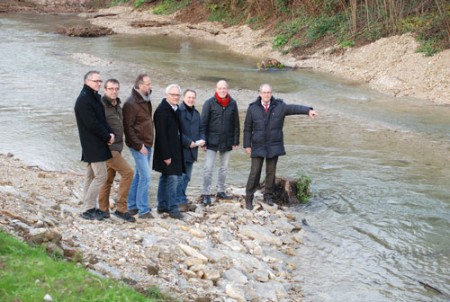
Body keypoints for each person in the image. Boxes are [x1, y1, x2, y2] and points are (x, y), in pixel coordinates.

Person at [243, 83, 317, 210]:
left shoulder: (279, 106)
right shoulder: (253, 108)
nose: (266, 95)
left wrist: (308, 110)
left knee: (271, 172)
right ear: (260, 93)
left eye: (269, 92)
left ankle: (268, 196)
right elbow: (247, 128)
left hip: (273, 145)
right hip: (258, 145)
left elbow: (293, 108)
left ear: (271, 93)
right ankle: (249, 197)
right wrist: (246, 145)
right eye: (264, 92)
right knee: (255, 172)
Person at [74, 70, 115, 220]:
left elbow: (101, 120)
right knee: (101, 176)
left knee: (90, 176)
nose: (99, 83)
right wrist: (106, 136)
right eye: (95, 81)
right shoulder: (84, 100)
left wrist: (110, 133)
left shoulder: (92, 97)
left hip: (96, 142)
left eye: (100, 81)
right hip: (92, 143)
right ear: (87, 81)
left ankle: (88, 206)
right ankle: (89, 208)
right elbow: (92, 124)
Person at [98, 79, 136, 223]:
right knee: (128, 173)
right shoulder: (101, 106)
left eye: (116, 89)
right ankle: (121, 209)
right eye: (111, 88)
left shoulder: (117, 106)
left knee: (107, 179)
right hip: (108, 149)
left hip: (118, 148)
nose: (114, 91)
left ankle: (103, 209)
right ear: (105, 89)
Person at [200, 80, 240, 205]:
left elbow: (236, 124)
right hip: (211, 141)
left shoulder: (233, 104)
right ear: (216, 89)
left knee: (224, 168)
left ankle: (221, 191)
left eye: (224, 88)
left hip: (227, 141)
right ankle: (206, 193)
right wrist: (203, 141)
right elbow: (203, 124)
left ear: (227, 89)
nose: (222, 90)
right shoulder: (209, 103)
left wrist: (236, 141)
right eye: (220, 88)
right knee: (208, 168)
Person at [122, 74, 154, 219]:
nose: (150, 86)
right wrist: (139, 145)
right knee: (146, 177)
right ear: (140, 85)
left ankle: (132, 205)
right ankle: (143, 210)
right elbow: (128, 129)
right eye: (148, 84)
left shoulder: (145, 99)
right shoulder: (130, 103)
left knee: (140, 175)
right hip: (139, 145)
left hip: (147, 142)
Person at [153, 84, 184, 219]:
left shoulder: (176, 109)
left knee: (165, 177)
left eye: (177, 95)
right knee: (172, 178)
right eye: (173, 95)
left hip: (175, 149)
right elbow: (161, 135)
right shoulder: (162, 111)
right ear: (167, 95)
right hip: (166, 151)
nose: (175, 97)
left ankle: (162, 205)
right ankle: (172, 207)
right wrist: (166, 155)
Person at [176, 89, 204, 212]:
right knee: (180, 177)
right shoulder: (179, 112)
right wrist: (188, 142)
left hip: (193, 150)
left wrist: (203, 139)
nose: (191, 99)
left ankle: (181, 199)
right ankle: (179, 202)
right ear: (183, 97)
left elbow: (201, 129)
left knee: (187, 177)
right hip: (181, 149)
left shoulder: (197, 113)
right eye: (189, 97)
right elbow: (177, 132)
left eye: (193, 97)